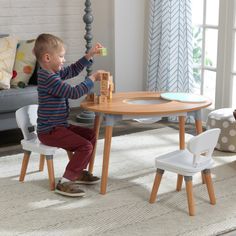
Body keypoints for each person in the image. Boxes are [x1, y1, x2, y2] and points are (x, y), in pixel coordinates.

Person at [33, 33, 102, 197]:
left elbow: (72, 70)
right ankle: (64, 181)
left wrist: (89, 55)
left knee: (90, 135)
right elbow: (74, 92)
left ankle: (78, 171)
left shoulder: (53, 72)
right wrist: (92, 78)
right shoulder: (48, 78)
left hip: (60, 126)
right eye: (61, 56)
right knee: (85, 146)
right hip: (50, 131)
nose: (64, 60)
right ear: (48, 57)